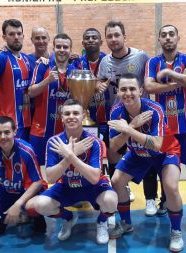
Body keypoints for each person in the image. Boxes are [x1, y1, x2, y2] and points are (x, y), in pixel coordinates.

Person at [108, 73, 184, 252]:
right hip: (137, 153)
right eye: (124, 89)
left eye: (132, 89)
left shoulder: (154, 109)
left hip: (166, 152)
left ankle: (176, 231)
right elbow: (113, 146)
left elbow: (157, 145)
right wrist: (131, 127)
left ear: (140, 90)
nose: (128, 93)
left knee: (171, 187)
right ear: (118, 92)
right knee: (116, 181)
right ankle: (126, 223)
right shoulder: (116, 112)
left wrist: (128, 129)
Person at [25, 99, 118, 244]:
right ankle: (68, 218)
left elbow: (94, 178)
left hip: (92, 186)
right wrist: (70, 156)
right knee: (40, 205)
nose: (71, 116)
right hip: (67, 186)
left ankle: (102, 221)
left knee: (111, 201)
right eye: (67, 113)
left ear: (83, 115)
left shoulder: (95, 142)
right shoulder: (54, 142)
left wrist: (69, 154)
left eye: (76, 113)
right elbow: (50, 177)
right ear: (62, 118)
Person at [97, 20, 159, 210]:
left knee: (146, 153)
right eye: (109, 36)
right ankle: (123, 188)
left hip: (141, 114)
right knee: (115, 152)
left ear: (125, 37)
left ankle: (150, 197)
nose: (113, 39)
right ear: (106, 39)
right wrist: (97, 87)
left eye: (117, 35)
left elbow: (149, 82)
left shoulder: (141, 57)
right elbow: (99, 86)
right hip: (117, 115)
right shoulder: (104, 61)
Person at [145, 24, 186, 220]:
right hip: (164, 127)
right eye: (164, 35)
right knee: (164, 165)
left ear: (178, 38)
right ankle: (165, 199)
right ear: (159, 40)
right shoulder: (153, 62)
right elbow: (149, 86)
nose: (168, 38)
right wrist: (180, 81)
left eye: (171, 34)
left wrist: (169, 75)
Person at [0, 116, 47, 236]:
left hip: (27, 190)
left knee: (34, 207)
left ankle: (33, 216)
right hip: (6, 189)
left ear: (14, 132)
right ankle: (5, 215)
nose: (2, 137)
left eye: (7, 132)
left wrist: (18, 204)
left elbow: (37, 182)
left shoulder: (27, 151)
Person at [28, 33, 78, 165]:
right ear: (54, 48)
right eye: (58, 46)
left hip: (65, 133)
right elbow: (31, 93)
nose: (62, 50)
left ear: (70, 49)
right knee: (39, 173)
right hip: (41, 131)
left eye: (65, 47)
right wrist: (47, 81)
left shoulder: (75, 71)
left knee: (63, 172)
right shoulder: (42, 66)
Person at [0, 19, 32, 141]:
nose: (16, 37)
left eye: (19, 34)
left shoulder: (26, 59)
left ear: (23, 36)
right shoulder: (0, 58)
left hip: (27, 123)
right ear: (4, 37)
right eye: (11, 34)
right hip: (7, 125)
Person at [75, 28, 108, 141]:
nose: (90, 40)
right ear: (83, 43)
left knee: (108, 153)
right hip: (85, 118)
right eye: (87, 38)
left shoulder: (109, 61)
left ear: (101, 42)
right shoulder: (77, 63)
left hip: (107, 117)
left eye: (94, 38)